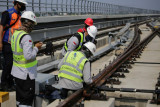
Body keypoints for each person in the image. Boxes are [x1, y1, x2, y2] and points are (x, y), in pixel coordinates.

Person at [11, 11, 43, 107]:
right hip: (26, 74)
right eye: (32, 24)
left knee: (20, 98)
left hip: (17, 72)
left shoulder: (15, 34)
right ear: (29, 23)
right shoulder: (26, 37)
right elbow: (28, 56)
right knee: (26, 100)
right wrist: (36, 48)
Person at [0, 0, 28, 91]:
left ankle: (10, 83)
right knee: (8, 64)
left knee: (13, 65)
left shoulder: (20, 15)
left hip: (15, 45)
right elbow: (1, 28)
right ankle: (3, 84)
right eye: (22, 4)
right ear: (17, 4)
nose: (24, 6)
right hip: (7, 43)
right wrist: (0, 42)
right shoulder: (7, 13)